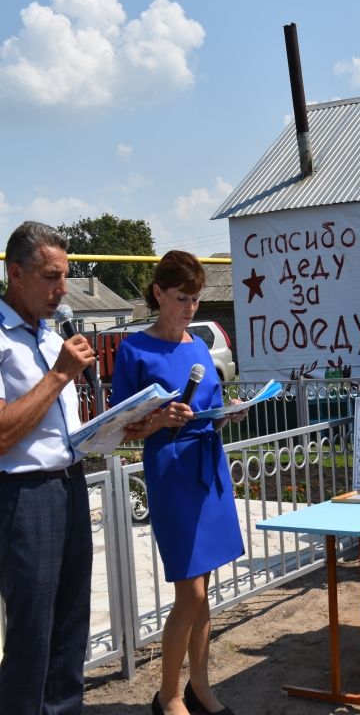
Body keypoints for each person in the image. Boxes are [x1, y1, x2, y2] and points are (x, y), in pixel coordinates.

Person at [111, 250, 247, 715]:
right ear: (158, 294)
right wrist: (159, 421)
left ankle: (199, 687)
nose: (190, 307)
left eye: (195, 298)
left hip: (208, 466)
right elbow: (120, 429)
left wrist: (227, 415)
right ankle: (167, 695)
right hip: (170, 471)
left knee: (203, 589)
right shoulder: (134, 349)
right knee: (189, 592)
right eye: (181, 297)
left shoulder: (199, 347)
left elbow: (207, 405)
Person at [0, 222, 96, 715]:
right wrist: (61, 374)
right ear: (16, 273)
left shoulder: (48, 332)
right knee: (33, 638)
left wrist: (124, 427)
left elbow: (59, 430)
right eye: (50, 276)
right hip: (24, 498)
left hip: (71, 488)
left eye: (65, 275)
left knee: (69, 632)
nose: (62, 288)